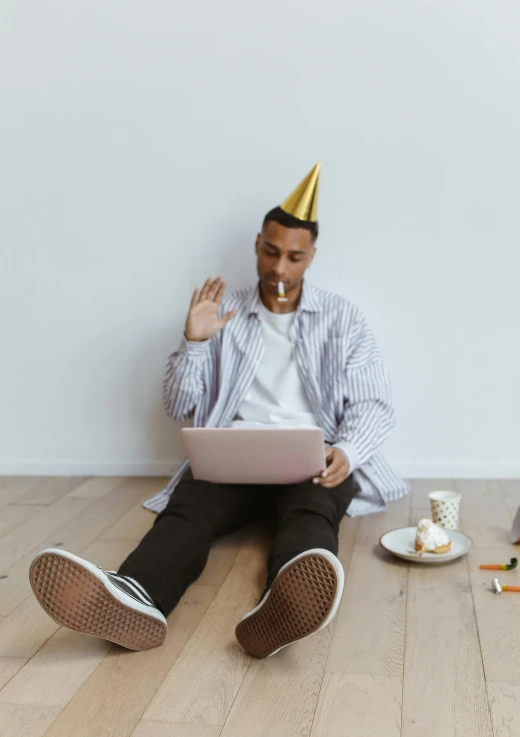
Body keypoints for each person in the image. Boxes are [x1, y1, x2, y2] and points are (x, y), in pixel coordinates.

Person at [29, 163, 409, 659]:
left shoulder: (343, 319)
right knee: (189, 512)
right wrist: (194, 342)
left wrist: (349, 451)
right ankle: (134, 597)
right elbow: (178, 406)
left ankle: (286, 606)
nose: (279, 269)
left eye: (294, 257)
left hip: (309, 460)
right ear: (256, 244)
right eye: (271, 252)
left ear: (311, 257)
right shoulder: (221, 314)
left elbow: (373, 403)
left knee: (312, 512)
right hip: (233, 457)